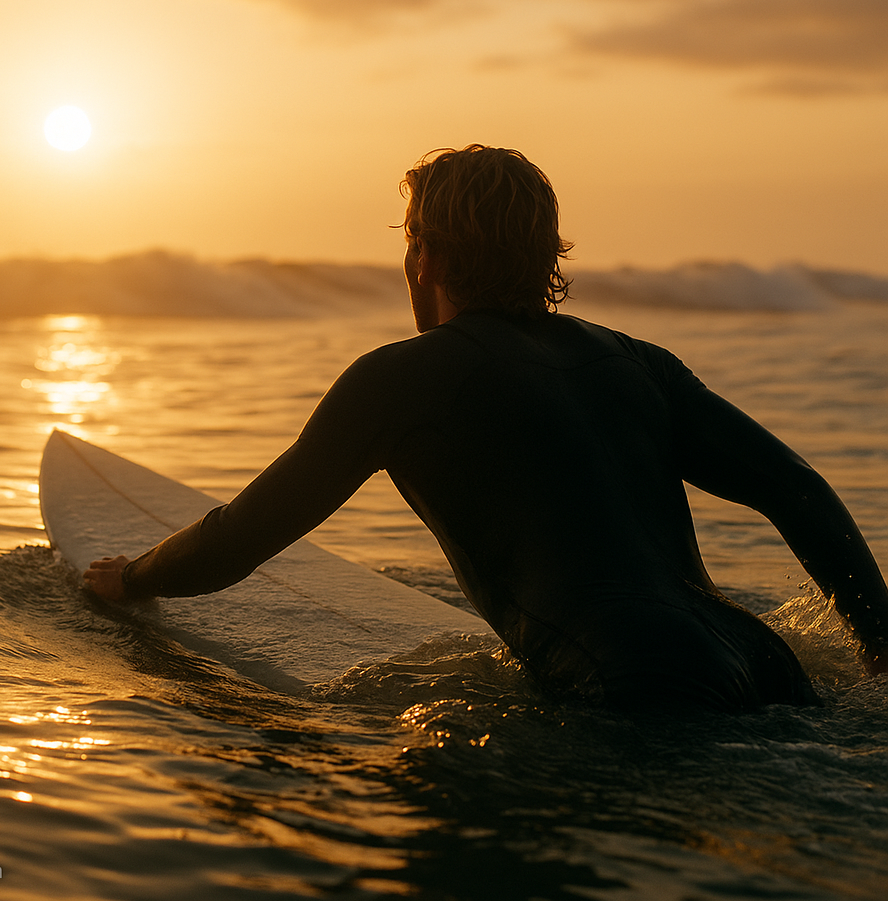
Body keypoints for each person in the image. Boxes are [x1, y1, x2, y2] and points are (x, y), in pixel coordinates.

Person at [84, 144, 888, 710]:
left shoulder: (398, 379)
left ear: (425, 258)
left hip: (633, 687)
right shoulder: (635, 361)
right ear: (545, 253)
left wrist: (135, 578)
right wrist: (880, 649)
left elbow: (238, 541)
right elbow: (798, 489)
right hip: (763, 660)